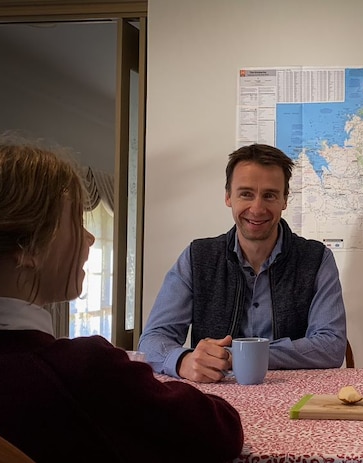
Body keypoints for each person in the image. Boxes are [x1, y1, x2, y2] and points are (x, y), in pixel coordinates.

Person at [0, 138, 244, 463]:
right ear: (27, 249)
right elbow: (220, 431)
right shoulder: (84, 377)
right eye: (75, 221)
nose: (89, 237)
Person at [139, 143, 347, 382]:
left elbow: (331, 346)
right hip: (212, 402)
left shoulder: (317, 258)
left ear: (285, 200)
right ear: (228, 196)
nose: (257, 208)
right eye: (246, 194)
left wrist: (238, 356)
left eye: (269, 195)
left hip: (296, 401)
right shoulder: (197, 257)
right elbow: (152, 340)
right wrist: (182, 360)